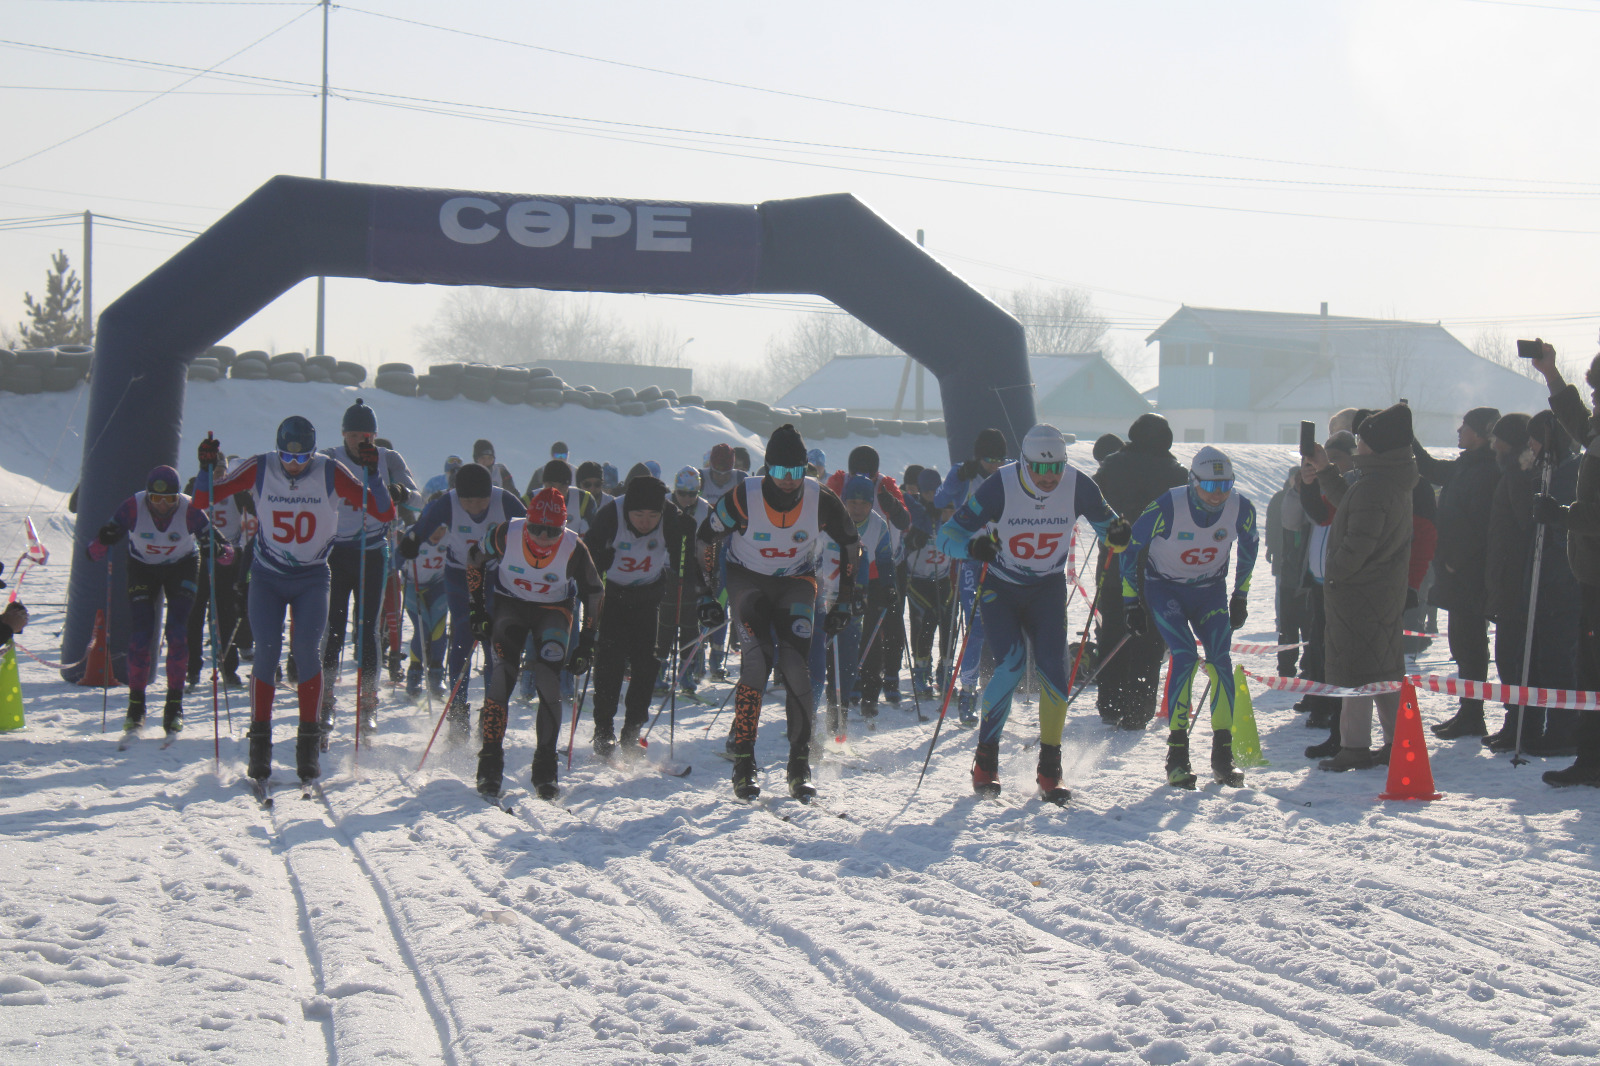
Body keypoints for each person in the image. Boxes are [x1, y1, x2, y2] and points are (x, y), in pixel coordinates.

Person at [194, 418, 394, 783]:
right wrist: (205, 470)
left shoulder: (329, 471)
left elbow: (384, 512)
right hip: (267, 577)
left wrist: (372, 474)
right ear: (278, 450)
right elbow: (203, 500)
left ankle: (308, 746)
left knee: (306, 652)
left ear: (313, 453)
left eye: (302, 458)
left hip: (312, 578)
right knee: (267, 653)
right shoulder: (261, 466)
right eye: (287, 456)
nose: (294, 464)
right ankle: (260, 745)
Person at [938, 424, 1130, 802]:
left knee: (1054, 672)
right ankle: (985, 760)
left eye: (1056, 467)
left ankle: (1050, 770)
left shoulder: (1079, 485)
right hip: (1002, 588)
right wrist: (973, 548)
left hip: (1047, 589)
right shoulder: (1000, 485)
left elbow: (1112, 531)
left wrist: (1119, 536)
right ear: (1024, 463)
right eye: (1039, 469)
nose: (1048, 477)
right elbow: (946, 537)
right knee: (1011, 665)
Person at [698, 424, 860, 801]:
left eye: (796, 471)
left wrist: (846, 599)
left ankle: (799, 764)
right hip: (748, 581)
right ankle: (744, 762)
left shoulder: (820, 498)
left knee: (795, 666)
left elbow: (851, 544)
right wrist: (705, 593)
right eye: (781, 471)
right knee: (757, 664)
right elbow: (706, 538)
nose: (789, 480)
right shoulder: (744, 496)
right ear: (767, 468)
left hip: (796, 582)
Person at [1121, 447, 1259, 788]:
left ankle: (1222, 754)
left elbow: (1250, 547)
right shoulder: (1168, 506)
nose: (1217, 495)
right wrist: (1130, 602)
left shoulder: (1240, 508)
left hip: (1209, 591)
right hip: (1165, 589)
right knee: (1184, 656)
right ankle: (1177, 755)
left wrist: (1240, 595)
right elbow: (1131, 547)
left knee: (1220, 660)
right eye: (1209, 486)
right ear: (1192, 481)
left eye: (1225, 486)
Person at [466, 487, 603, 800]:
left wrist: (587, 642)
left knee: (548, 680)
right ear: (526, 521)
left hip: (553, 611)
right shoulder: (506, 534)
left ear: (563, 528)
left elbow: (594, 592)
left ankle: (545, 768)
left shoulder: (573, 547)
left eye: (552, 531)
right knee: (502, 677)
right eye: (537, 528)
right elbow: (474, 560)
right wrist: (476, 610)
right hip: (510, 606)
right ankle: (490, 762)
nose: (543, 537)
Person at [1305, 403, 1417, 771]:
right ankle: (1396, 742)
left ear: (1377, 446)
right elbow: (1351, 503)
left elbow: (1358, 543)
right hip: (1380, 592)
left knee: (1355, 674)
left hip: (1360, 595)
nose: (1358, 445)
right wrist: (1325, 471)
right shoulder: (1387, 480)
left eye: (1362, 439)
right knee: (1382, 671)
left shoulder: (1375, 486)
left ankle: (1354, 747)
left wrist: (1333, 571)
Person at [88, 464, 222, 737]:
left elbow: (227, 552)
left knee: (177, 632)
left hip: (182, 567)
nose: (162, 505)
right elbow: (93, 552)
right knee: (141, 634)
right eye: (156, 498)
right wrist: (103, 539)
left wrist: (215, 549)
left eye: (169, 499)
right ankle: (136, 706)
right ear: (147, 495)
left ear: (177, 496)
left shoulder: (190, 509)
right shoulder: (133, 506)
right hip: (143, 567)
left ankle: (174, 706)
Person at [398, 462, 526, 741]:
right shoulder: (448, 502)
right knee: (463, 636)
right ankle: (457, 711)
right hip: (459, 575)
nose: (474, 507)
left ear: (490, 494)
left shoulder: (505, 501)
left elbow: (531, 531)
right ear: (458, 495)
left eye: (481, 501)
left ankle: (491, 709)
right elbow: (422, 527)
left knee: (493, 642)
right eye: (468, 501)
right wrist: (409, 544)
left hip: (495, 577)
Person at [584, 475, 702, 759]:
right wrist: (599, 561)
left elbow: (683, 561)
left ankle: (632, 732)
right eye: (638, 515)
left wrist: (686, 537)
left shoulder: (671, 516)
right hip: (612, 597)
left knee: (646, 665)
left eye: (652, 515)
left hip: (648, 597)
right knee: (610, 664)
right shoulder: (610, 515)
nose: (646, 522)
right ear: (628, 509)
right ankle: (603, 730)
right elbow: (586, 557)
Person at [319, 399, 417, 735]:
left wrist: (400, 491)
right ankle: (326, 700)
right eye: (354, 435)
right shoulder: (329, 458)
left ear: (374, 436)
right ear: (343, 435)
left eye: (367, 436)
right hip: (336, 553)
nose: (361, 442)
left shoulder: (389, 459)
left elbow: (416, 498)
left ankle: (368, 702)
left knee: (368, 629)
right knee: (333, 627)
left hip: (373, 552)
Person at [1529, 344, 1600, 786]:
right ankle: (1590, 758)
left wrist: (1561, 515)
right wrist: (1551, 374)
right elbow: (1579, 422)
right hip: (1591, 576)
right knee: (1590, 672)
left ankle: (1592, 760)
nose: (1593, 397)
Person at [1092, 413, 1189, 731]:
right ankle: (1138, 706)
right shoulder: (1177, 473)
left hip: (1115, 559)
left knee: (1113, 629)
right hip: (1158, 565)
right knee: (1149, 637)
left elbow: (1093, 500)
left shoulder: (1112, 465)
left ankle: (1110, 701)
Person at [1414, 406, 1501, 739]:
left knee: (1471, 645)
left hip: (1468, 574)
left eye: (1465, 426)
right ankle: (1468, 711)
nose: (1459, 431)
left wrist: (1456, 560)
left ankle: (1473, 714)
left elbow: (1480, 526)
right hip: (1456, 572)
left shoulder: (1487, 470)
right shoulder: (1468, 465)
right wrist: (1408, 438)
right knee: (1461, 645)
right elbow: (1431, 469)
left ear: (1480, 433)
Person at [935, 427, 1009, 724]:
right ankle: (967, 692)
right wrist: (956, 480)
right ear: (978, 457)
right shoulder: (964, 473)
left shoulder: (1009, 473)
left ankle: (1002, 688)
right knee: (975, 628)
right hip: (972, 558)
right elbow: (940, 501)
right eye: (989, 459)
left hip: (1004, 558)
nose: (995, 465)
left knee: (1005, 626)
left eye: (999, 459)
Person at [183, 463, 246, 690]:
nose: (217, 476)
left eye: (221, 471)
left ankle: (228, 668)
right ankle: (192, 668)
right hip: (198, 558)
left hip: (227, 558)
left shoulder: (234, 490)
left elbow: (255, 509)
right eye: (213, 471)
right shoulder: (194, 488)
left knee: (226, 614)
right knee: (194, 614)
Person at [659, 466, 710, 692]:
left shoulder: (705, 510)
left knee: (690, 623)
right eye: (682, 493)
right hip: (665, 570)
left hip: (692, 572)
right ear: (675, 490)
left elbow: (710, 543)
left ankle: (686, 670)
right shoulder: (663, 505)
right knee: (665, 622)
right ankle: (659, 667)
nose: (687, 499)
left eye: (692, 494)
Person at [905, 468, 953, 700]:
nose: (932, 496)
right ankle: (921, 671)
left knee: (948, 622)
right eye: (927, 492)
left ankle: (945, 671)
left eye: (936, 491)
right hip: (918, 579)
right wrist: (912, 540)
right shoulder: (915, 511)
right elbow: (902, 540)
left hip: (942, 578)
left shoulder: (948, 509)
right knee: (927, 620)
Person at [401, 521, 449, 699]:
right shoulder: (414, 534)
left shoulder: (451, 537)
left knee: (438, 629)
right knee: (423, 628)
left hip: (438, 585)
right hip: (413, 585)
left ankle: (436, 673)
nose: (438, 533)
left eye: (442, 529)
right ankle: (414, 674)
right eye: (434, 528)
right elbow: (397, 559)